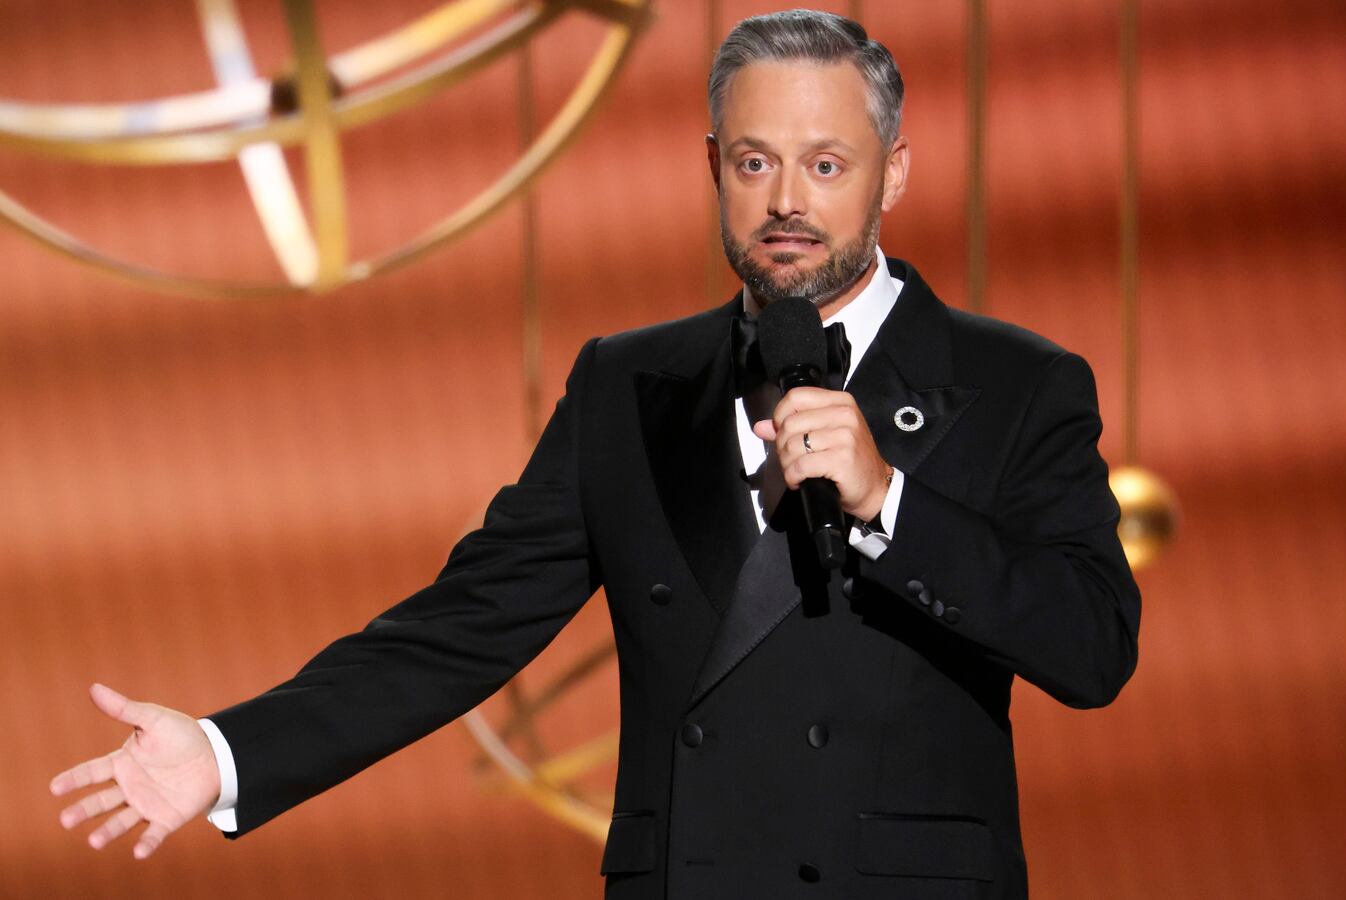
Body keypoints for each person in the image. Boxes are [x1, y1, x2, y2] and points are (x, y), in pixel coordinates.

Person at [51, 9, 1140, 898]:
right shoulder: (627, 383)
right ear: (714, 165)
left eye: (826, 163)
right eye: (755, 162)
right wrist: (227, 754)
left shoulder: (1016, 382)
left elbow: (1093, 649)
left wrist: (890, 500)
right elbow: (462, 629)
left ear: (892, 174)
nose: (787, 203)